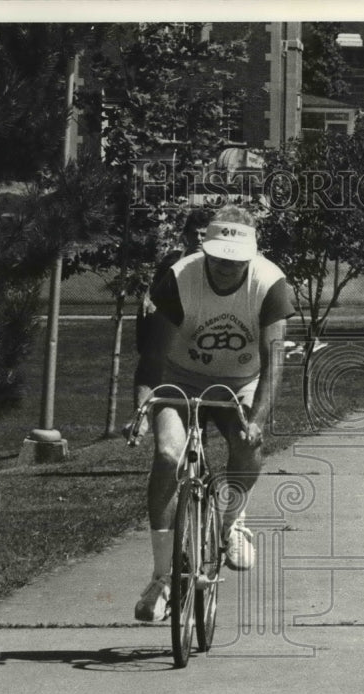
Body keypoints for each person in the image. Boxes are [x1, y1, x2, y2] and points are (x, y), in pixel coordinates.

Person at [133, 204, 295, 622]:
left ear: (251, 256)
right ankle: (162, 577)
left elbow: (273, 359)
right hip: (179, 377)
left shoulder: (271, 284)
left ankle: (233, 523)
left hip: (240, 379)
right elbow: (152, 357)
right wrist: (142, 405)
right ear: (205, 250)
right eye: (218, 256)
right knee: (169, 455)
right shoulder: (179, 278)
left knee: (245, 442)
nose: (225, 266)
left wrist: (256, 419)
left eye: (235, 259)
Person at [128, 209, 212, 438]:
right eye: (194, 234)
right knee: (151, 363)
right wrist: (148, 300)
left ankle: (198, 446)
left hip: (202, 334)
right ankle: (140, 415)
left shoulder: (215, 265)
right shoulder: (173, 261)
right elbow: (155, 290)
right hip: (171, 329)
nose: (198, 239)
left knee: (200, 394)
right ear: (185, 236)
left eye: (204, 235)